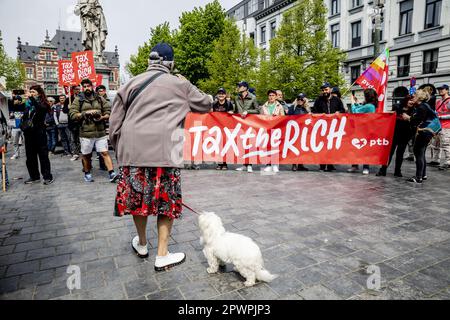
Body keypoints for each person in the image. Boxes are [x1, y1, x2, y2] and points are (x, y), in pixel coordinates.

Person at [109, 42, 212, 271]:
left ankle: (143, 244)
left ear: (150, 60)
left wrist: (121, 150)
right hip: (166, 151)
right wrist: (187, 83)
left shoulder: (129, 84)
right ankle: (162, 254)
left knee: (137, 202)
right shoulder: (180, 84)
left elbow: (114, 124)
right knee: (166, 203)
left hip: (133, 151)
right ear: (170, 62)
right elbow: (206, 104)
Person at [69, 78, 119, 183]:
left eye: (88, 86)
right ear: (83, 88)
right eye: (85, 87)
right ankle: (87, 173)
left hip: (100, 132)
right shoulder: (78, 99)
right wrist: (85, 113)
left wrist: (102, 117)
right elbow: (72, 114)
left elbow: (108, 111)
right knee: (86, 155)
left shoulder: (100, 98)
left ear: (92, 86)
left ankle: (112, 173)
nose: (87, 88)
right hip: (85, 133)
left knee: (105, 152)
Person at [22, 85, 54, 185]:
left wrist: (31, 98)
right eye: (30, 91)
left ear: (39, 93)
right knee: (30, 157)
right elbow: (25, 117)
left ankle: (47, 176)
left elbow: (40, 110)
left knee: (43, 156)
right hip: (29, 134)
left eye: (33, 92)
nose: (31, 93)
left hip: (39, 133)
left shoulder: (43, 103)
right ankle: (34, 176)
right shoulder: (28, 104)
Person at [376, 96, 415, 177]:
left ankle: (397, 171)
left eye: (413, 101)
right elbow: (391, 113)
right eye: (410, 100)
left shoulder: (414, 110)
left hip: (405, 136)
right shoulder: (397, 107)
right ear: (406, 100)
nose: (412, 102)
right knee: (389, 153)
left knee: (400, 154)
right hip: (394, 134)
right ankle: (383, 170)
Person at [406, 89, 439, 183]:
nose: (413, 97)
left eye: (415, 95)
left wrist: (408, 117)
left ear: (419, 97)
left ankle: (418, 177)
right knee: (421, 153)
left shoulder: (422, 107)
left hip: (424, 132)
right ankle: (423, 175)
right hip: (428, 132)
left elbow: (415, 120)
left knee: (418, 153)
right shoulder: (425, 105)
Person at [312, 82, 345, 172]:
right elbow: (314, 111)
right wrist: (320, 114)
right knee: (322, 146)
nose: (324, 91)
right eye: (323, 90)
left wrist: (339, 112)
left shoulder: (337, 100)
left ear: (330, 89)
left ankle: (330, 164)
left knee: (331, 146)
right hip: (322, 127)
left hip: (334, 127)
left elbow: (343, 110)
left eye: (326, 89)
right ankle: (322, 165)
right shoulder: (318, 100)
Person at [348, 89, 377, 175]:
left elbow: (355, 111)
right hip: (361, 129)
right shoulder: (369, 105)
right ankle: (355, 165)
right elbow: (360, 108)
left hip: (365, 130)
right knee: (356, 147)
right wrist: (356, 103)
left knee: (365, 149)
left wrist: (353, 103)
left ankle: (365, 167)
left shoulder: (370, 106)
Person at [233, 81, 259, 173]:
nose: (238, 87)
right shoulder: (236, 98)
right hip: (240, 124)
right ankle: (244, 164)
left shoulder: (253, 97)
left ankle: (250, 165)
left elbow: (257, 110)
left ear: (245, 88)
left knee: (249, 144)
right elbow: (236, 110)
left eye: (240, 86)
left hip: (250, 124)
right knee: (241, 144)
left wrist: (248, 111)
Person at [260, 90, 285, 173]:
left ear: (276, 96)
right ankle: (268, 164)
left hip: (276, 129)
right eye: (270, 95)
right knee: (268, 147)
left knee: (276, 147)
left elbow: (283, 117)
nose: (271, 97)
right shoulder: (264, 106)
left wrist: (277, 117)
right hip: (267, 129)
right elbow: (260, 118)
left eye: (273, 95)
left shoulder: (279, 106)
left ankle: (275, 164)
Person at [287, 93, 310, 171]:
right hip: (294, 131)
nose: (300, 100)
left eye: (301, 99)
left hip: (304, 131)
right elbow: (288, 117)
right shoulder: (293, 107)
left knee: (302, 148)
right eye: (298, 99)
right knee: (295, 148)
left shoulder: (306, 108)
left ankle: (300, 165)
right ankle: (294, 164)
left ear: (304, 100)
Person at [212, 88, 233, 170]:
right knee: (217, 145)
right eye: (219, 93)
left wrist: (231, 113)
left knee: (225, 145)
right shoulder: (214, 104)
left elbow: (233, 115)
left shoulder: (229, 104)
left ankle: (225, 163)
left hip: (226, 128)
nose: (221, 95)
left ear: (225, 95)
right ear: (217, 95)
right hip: (217, 128)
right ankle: (219, 163)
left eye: (222, 93)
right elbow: (212, 114)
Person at [433, 84, 450, 171]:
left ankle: (448, 162)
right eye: (439, 89)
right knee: (436, 144)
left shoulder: (449, 101)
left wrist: (440, 117)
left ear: (447, 90)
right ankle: (436, 160)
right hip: (438, 126)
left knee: (446, 144)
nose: (440, 91)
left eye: (442, 89)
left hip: (446, 126)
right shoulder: (438, 102)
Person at [66, 85, 82, 161]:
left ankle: (78, 152)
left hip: (80, 122)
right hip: (72, 122)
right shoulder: (68, 99)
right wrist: (68, 108)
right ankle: (74, 153)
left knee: (79, 139)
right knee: (72, 139)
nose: (78, 90)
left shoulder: (82, 98)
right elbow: (64, 110)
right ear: (73, 90)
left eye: (79, 89)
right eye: (76, 89)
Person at [95, 85, 109, 171]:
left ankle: (104, 163)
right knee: (99, 146)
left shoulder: (108, 101)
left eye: (103, 91)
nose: (101, 92)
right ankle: (102, 164)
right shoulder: (95, 101)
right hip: (97, 125)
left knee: (104, 146)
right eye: (100, 91)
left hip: (106, 124)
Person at [8, 95, 26, 160]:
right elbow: (9, 101)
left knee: (27, 142)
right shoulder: (12, 107)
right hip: (15, 127)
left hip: (23, 127)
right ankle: (16, 154)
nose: (14, 101)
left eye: (15, 100)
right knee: (15, 143)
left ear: (19, 100)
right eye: (14, 99)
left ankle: (30, 154)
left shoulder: (24, 106)